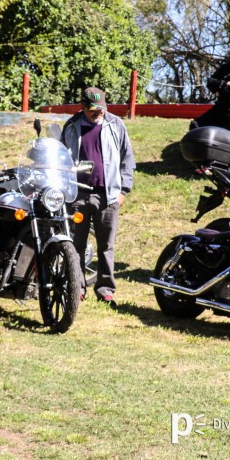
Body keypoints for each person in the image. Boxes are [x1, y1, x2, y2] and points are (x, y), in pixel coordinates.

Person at [62, 87, 135, 306]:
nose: (98, 113)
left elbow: (127, 159)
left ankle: (105, 289)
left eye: (101, 108)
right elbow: (61, 158)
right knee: (75, 246)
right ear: (82, 108)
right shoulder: (71, 126)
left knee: (107, 246)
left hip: (108, 196)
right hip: (77, 195)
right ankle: (77, 287)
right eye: (93, 109)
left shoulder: (116, 125)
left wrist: (123, 191)